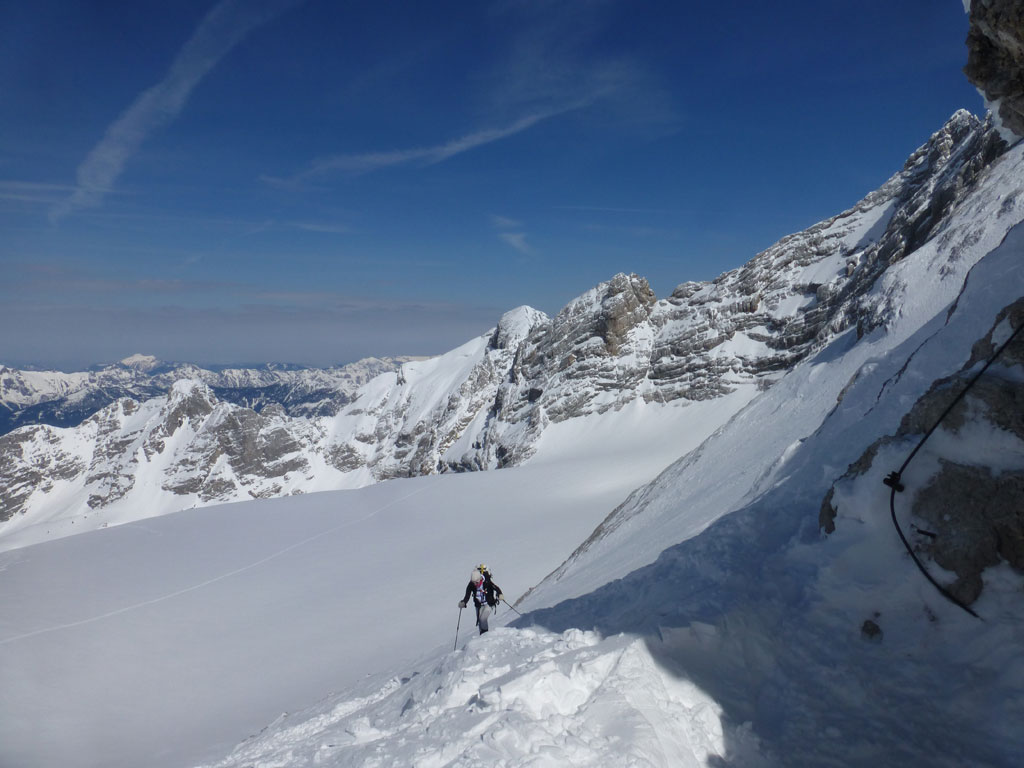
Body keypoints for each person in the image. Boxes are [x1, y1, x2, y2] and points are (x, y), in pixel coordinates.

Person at [458, 564, 503, 635]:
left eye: (476, 582)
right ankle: (482, 636)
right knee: (480, 621)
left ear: (480, 579)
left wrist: (500, 594)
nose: (475, 584)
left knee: (483, 619)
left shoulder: (487, 581)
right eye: (473, 582)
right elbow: (467, 595)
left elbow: (495, 587)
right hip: (478, 605)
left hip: (489, 603)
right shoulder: (471, 584)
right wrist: (464, 602)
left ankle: (485, 635)